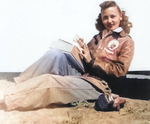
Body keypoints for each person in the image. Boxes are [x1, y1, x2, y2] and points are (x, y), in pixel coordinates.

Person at [0, 1, 134, 111]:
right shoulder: (98, 37)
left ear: (120, 16)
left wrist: (91, 61)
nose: (109, 20)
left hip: (100, 85)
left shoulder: (126, 41)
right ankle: (19, 84)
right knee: (56, 54)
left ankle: (8, 97)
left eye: (113, 16)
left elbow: (120, 70)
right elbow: (87, 61)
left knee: (49, 81)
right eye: (105, 17)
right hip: (86, 75)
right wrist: (82, 51)